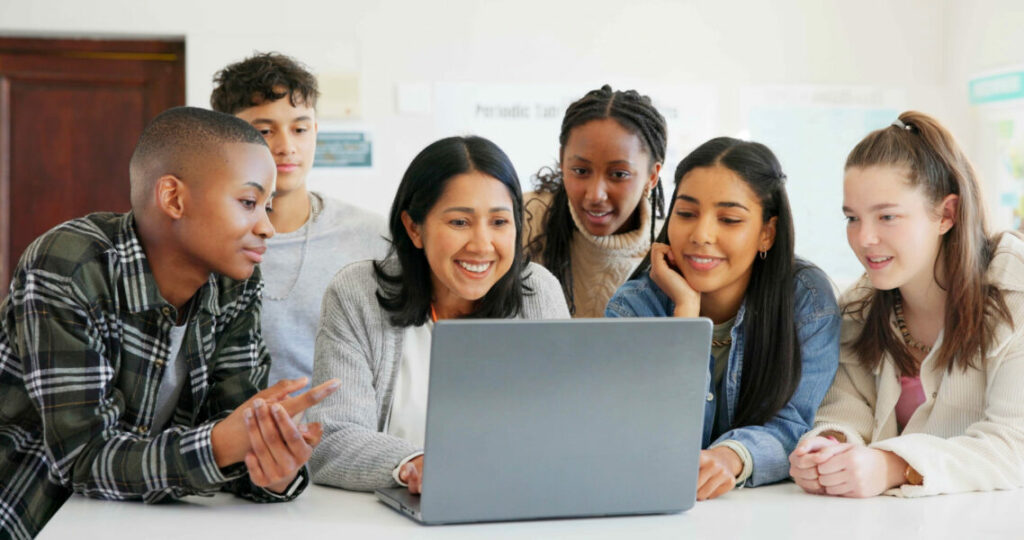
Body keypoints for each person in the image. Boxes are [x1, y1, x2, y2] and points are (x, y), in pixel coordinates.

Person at [0, 107, 338, 538]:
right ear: (174, 198)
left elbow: (236, 432)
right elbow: (83, 460)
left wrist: (271, 470)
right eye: (249, 202)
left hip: (145, 522)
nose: (268, 227)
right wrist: (223, 445)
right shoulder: (71, 266)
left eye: (267, 207)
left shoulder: (236, 284)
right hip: (32, 515)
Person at [307, 135, 570, 493]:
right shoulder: (357, 294)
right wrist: (415, 465)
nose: (481, 245)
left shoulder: (537, 291)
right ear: (414, 228)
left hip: (515, 505)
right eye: (460, 222)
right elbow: (331, 439)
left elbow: (565, 427)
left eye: (499, 222)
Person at [790, 111, 1024, 498]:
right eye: (852, 218)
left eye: (887, 216)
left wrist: (893, 466)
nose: (864, 238)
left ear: (946, 214)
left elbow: (1014, 444)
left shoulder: (1013, 289)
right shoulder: (858, 307)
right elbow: (847, 411)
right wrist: (828, 448)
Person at [606, 137, 840, 501]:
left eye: (729, 219)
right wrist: (686, 314)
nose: (701, 235)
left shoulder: (806, 299)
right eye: (685, 214)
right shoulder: (635, 308)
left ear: (767, 233)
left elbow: (797, 424)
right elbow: (647, 440)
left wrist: (732, 457)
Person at [211, 52, 388, 392]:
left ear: (316, 131)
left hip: (344, 440)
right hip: (234, 439)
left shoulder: (372, 237)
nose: (287, 146)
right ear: (225, 138)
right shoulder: (206, 241)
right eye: (265, 130)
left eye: (300, 129)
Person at [524, 85, 667, 317]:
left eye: (619, 174)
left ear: (652, 176)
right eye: (580, 170)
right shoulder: (522, 221)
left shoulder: (670, 248)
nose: (595, 195)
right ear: (562, 160)